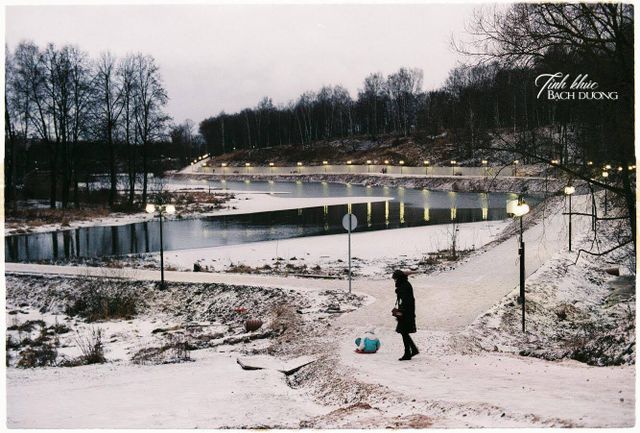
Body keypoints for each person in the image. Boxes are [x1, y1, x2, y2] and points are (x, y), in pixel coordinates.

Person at [392, 269, 419, 360]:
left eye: (395, 279)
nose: (394, 281)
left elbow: (406, 301)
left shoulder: (404, 286)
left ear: (399, 278)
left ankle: (409, 352)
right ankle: (412, 350)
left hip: (405, 313)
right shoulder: (404, 285)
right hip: (407, 312)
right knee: (404, 332)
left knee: (403, 332)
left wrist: (401, 312)